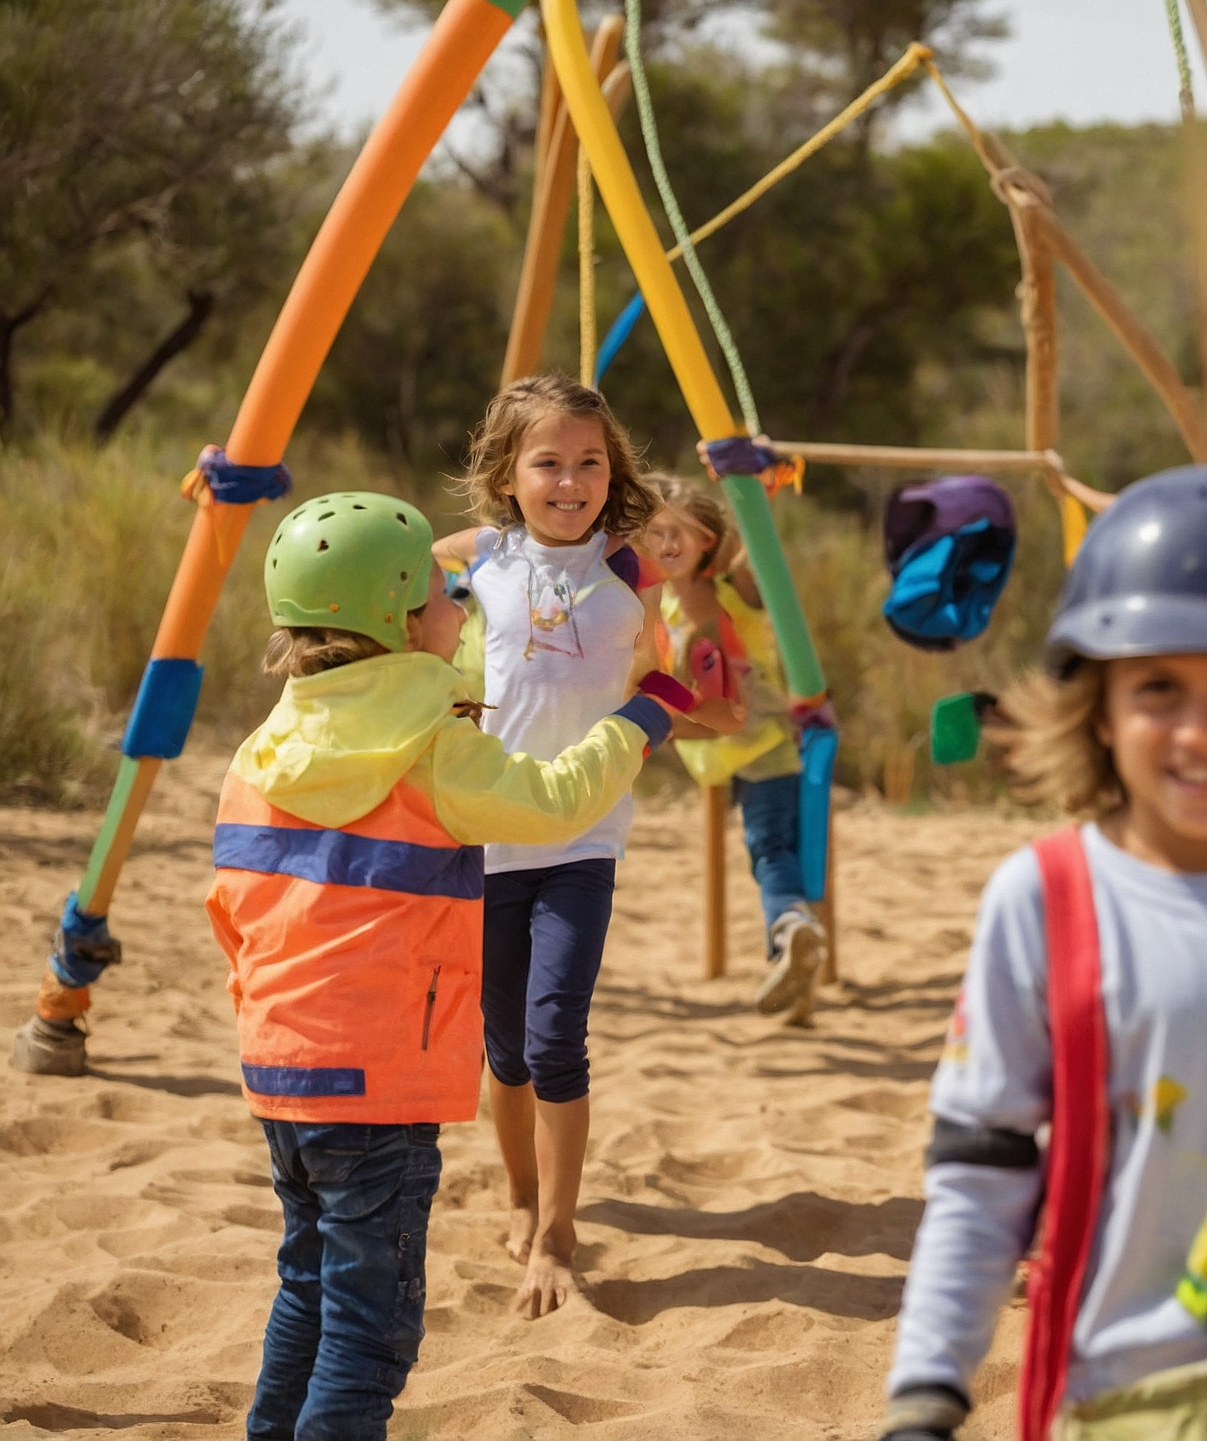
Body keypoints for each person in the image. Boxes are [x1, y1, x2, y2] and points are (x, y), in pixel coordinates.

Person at [879, 464, 1207, 1441]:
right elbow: (980, 1168)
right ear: (1097, 707)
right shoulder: (1047, 898)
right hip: (1129, 1388)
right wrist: (926, 1389)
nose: (1201, 729)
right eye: (1158, 687)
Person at [208, 491, 696, 1440]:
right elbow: (553, 803)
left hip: (279, 1074)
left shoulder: (257, 752)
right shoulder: (429, 750)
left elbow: (229, 913)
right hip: (382, 1088)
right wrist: (638, 718)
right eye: (443, 593)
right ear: (398, 622)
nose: (459, 606)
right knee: (371, 1336)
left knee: (306, 1289)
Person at [432, 374, 743, 1319]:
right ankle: (522, 1197)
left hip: (584, 840)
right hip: (484, 838)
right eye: (549, 462)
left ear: (614, 474)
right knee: (504, 1051)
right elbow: (389, 579)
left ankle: (560, 1236)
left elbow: (687, 680)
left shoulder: (631, 570)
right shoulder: (477, 557)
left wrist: (697, 695)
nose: (571, 480)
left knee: (556, 1035)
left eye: (590, 463)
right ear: (507, 474)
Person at [637, 472, 827, 1025]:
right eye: (655, 534)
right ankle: (792, 943)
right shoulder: (662, 610)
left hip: (765, 749)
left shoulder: (729, 593)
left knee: (773, 850)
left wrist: (754, 491)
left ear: (707, 543)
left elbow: (755, 559)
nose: (667, 544)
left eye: (681, 534)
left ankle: (791, 925)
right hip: (727, 755)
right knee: (771, 849)